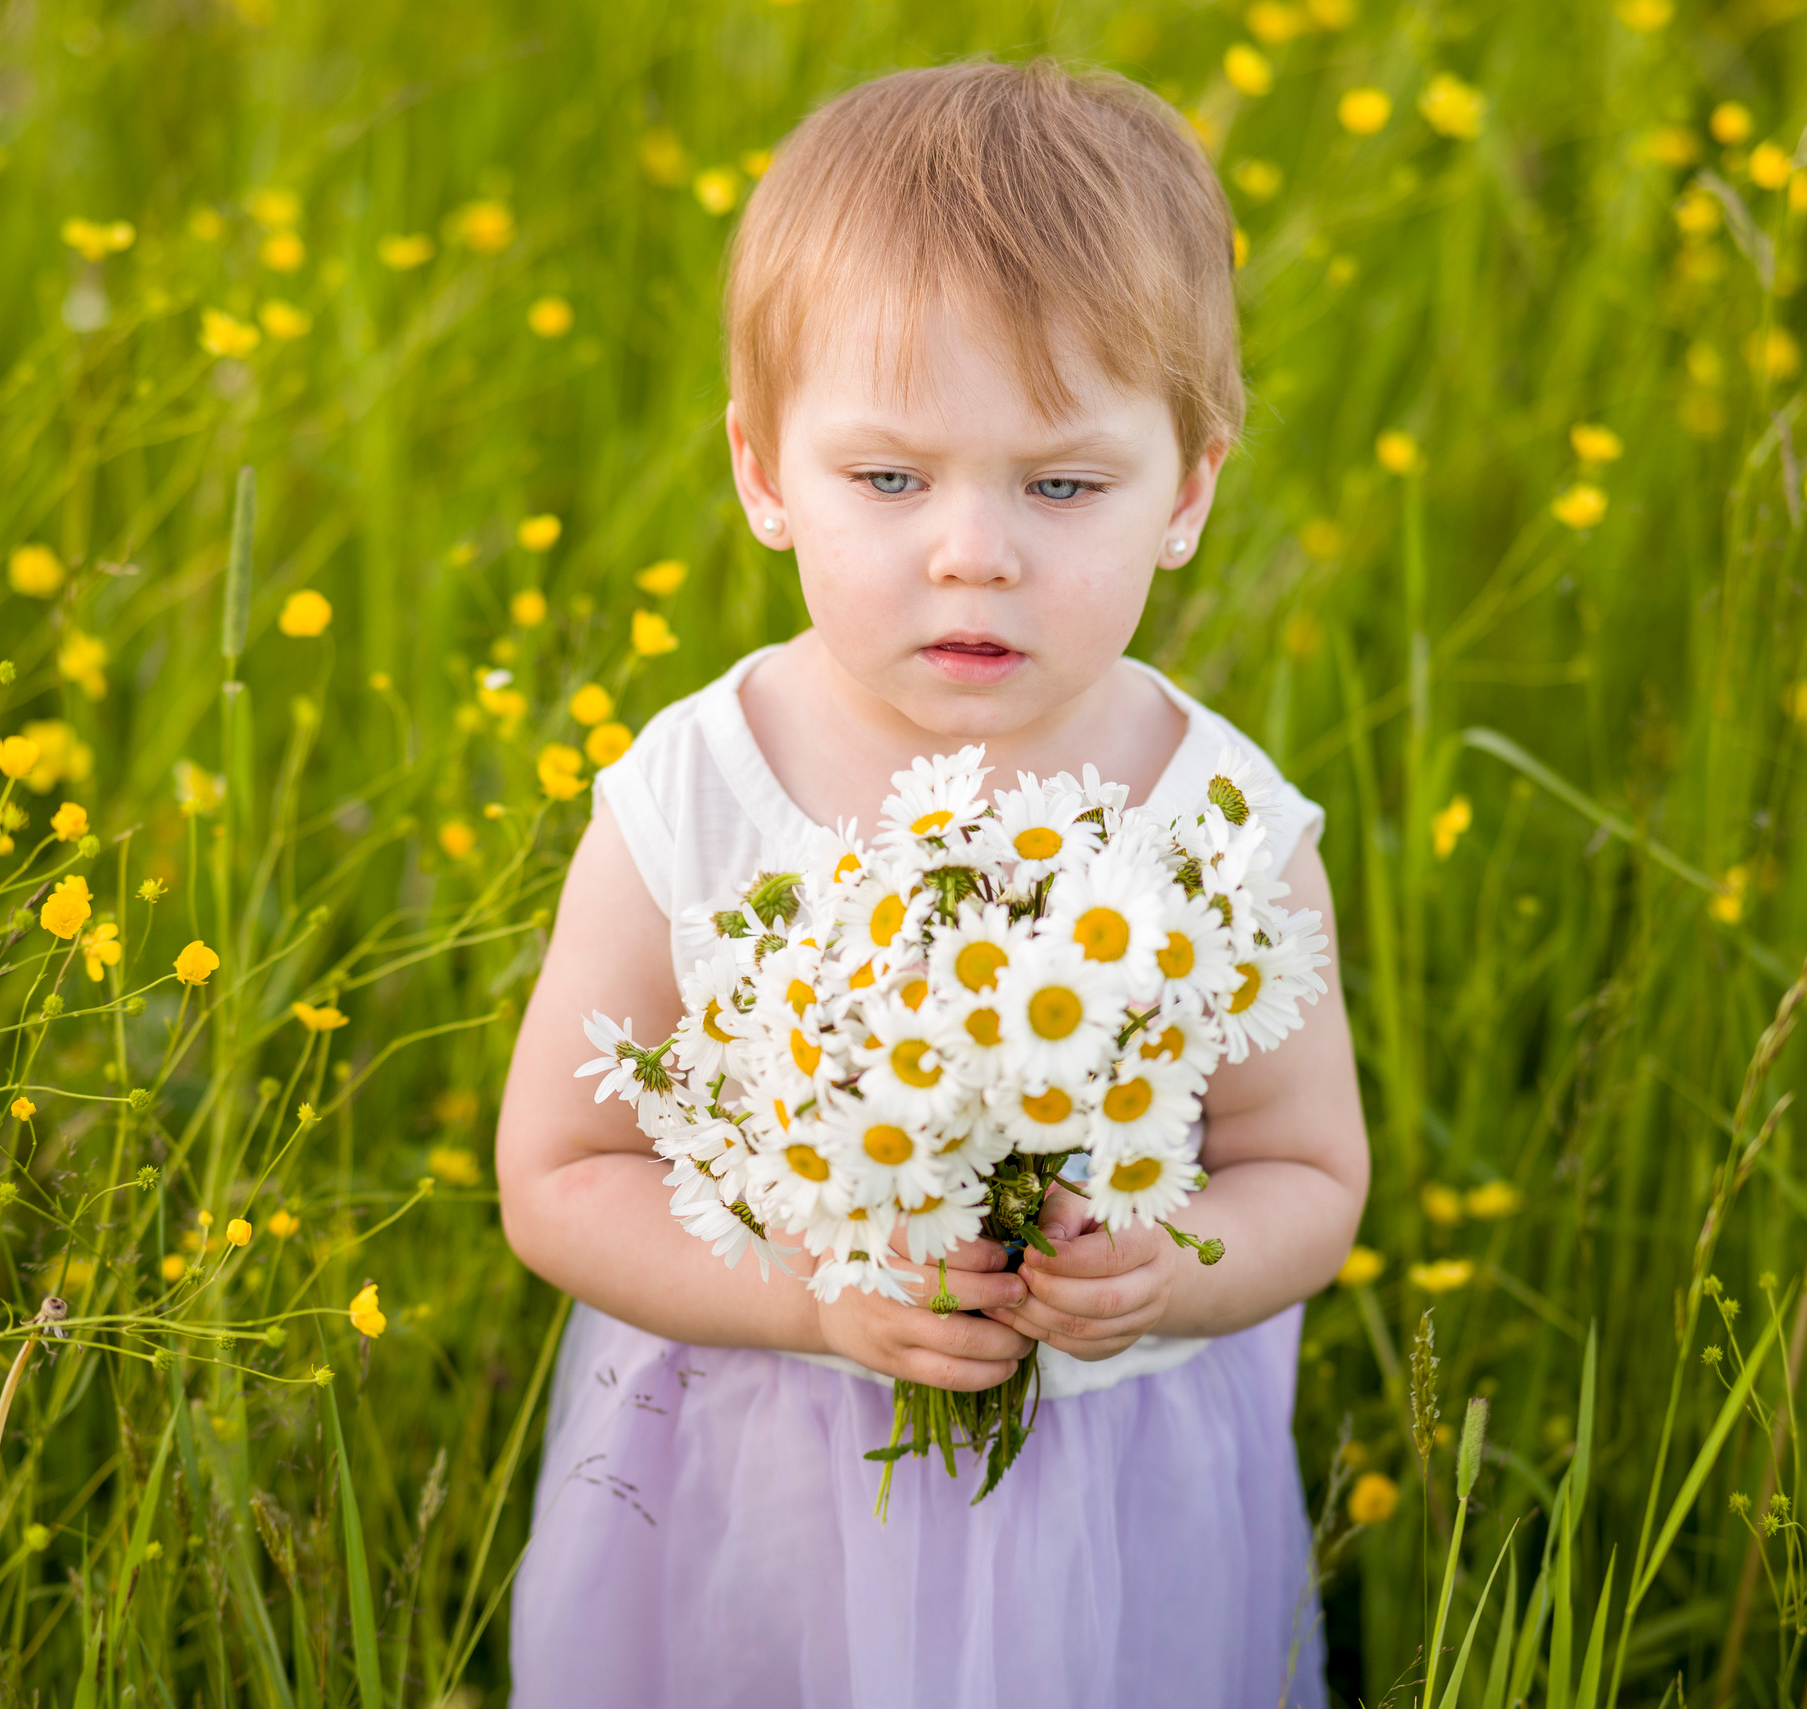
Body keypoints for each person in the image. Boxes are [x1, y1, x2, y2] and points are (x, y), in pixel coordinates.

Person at [496, 56, 1369, 1706]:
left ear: (1187, 488)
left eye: (1064, 482)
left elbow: (1306, 1169)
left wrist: (1169, 1266)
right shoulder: (700, 792)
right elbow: (559, 1165)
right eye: (888, 479)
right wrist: (820, 1299)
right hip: (755, 1479)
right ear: (765, 473)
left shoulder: (1228, 833)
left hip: (1110, 1499)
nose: (973, 549)